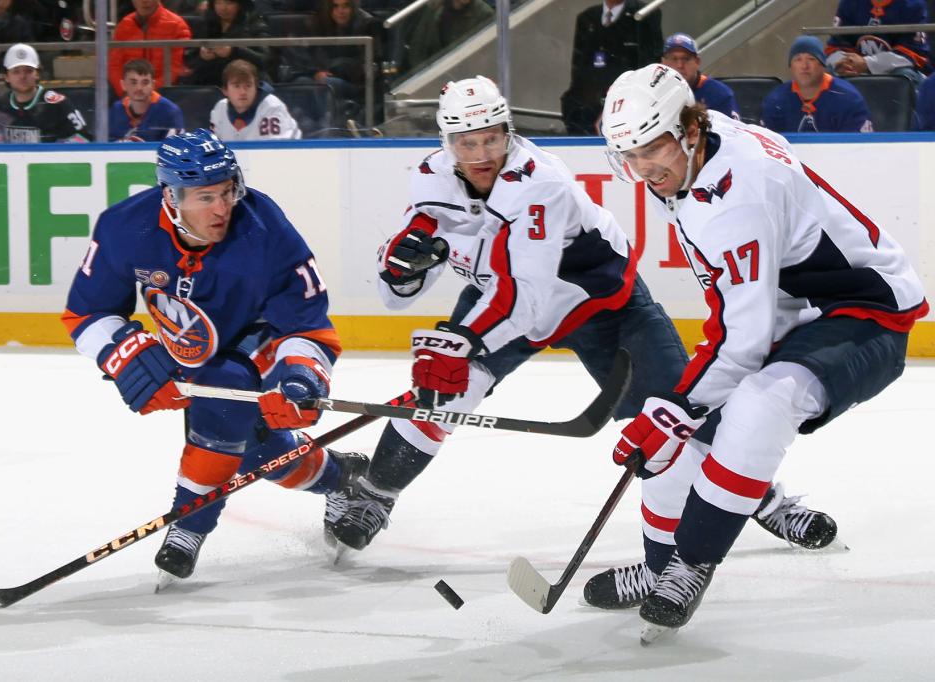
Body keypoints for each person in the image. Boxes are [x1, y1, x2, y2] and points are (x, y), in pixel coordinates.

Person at [326, 76, 840, 570]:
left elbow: (529, 299)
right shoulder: (430, 177)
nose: (481, 155)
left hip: (603, 308)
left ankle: (764, 501)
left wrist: (462, 341)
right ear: (447, 144)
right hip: (502, 300)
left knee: (679, 413)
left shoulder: (540, 183)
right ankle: (374, 493)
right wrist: (397, 269)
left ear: (509, 132)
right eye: (466, 143)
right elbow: (401, 292)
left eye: (491, 138)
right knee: (439, 393)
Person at [595, 63, 927, 642]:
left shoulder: (736, 194)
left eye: (652, 147)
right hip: (793, 308)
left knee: (755, 404)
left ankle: (691, 563)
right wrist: (679, 413)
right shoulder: (703, 145)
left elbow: (743, 340)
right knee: (680, 437)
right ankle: (658, 568)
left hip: (864, 311)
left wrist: (675, 409)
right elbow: (741, 318)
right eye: (629, 153)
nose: (643, 167)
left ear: (688, 131)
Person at [61, 128, 367, 582]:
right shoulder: (127, 228)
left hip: (258, 337)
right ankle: (338, 475)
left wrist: (300, 378)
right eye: (206, 197)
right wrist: (125, 354)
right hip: (192, 352)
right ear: (172, 195)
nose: (223, 208)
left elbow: (308, 324)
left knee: (224, 402)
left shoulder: (264, 229)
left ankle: (189, 525)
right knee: (255, 455)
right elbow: (87, 312)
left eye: (227, 192)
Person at [560, 0, 662, 136]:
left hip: (629, 105)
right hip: (590, 107)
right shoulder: (586, 17)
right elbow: (579, 69)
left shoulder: (644, 14)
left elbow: (650, 67)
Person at [0, 42, 91, 143]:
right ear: (6, 77)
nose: (22, 76)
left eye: (28, 71)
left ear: (37, 73)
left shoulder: (57, 104)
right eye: (16, 71)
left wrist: (57, 153)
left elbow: (84, 138)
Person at [762, 35, 873, 133]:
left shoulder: (849, 98)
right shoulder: (775, 100)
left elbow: (861, 146)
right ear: (790, 66)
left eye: (811, 59)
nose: (804, 66)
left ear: (822, 64)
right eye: (798, 59)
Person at [826, 0, 931, 86]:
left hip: (897, 71)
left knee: (903, 75)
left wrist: (867, 63)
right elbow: (835, 46)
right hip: (855, 70)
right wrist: (845, 63)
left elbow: (912, 54)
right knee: (828, 72)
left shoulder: (914, 5)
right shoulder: (848, 3)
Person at [108, 0, 192, 98]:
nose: (144, 1)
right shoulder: (124, 25)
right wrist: (124, 91)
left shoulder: (177, 25)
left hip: (163, 95)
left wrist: (148, 93)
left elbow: (175, 68)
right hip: (127, 94)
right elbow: (114, 66)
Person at [181, 0, 269, 87]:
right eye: (218, 3)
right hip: (210, 79)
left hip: (244, 79)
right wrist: (202, 56)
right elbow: (189, 59)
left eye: (229, 3)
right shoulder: (205, 23)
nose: (223, 8)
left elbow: (265, 59)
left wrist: (234, 51)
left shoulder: (254, 23)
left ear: (240, 4)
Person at [210, 58, 301, 140]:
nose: (243, 92)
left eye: (248, 86)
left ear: (256, 88)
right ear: (225, 90)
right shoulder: (219, 109)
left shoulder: (271, 107)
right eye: (236, 86)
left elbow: (275, 150)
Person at [660, 32, 739, 120]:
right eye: (673, 59)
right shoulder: (654, 91)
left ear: (697, 62)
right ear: (663, 62)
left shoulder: (720, 94)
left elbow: (733, 132)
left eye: (686, 59)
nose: (679, 65)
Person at [110, 58, 185, 141]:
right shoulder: (117, 109)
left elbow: (177, 149)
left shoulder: (170, 111)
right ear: (123, 84)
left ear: (153, 85)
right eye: (133, 82)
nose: (139, 88)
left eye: (145, 82)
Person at [405, 0, 493, 71]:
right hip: (432, 72)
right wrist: (420, 73)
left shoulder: (484, 13)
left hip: (464, 77)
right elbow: (418, 45)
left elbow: (485, 56)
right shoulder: (436, 8)